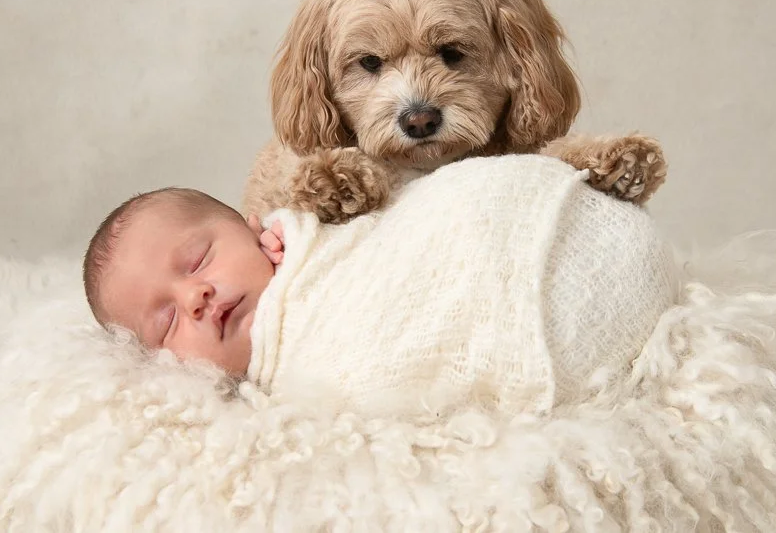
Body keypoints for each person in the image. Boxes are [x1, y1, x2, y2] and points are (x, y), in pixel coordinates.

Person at [84, 155, 677, 417]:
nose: (196, 297)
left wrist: (297, 232)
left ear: (251, 227)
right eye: (165, 323)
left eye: (199, 259)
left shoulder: (305, 241)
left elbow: (391, 226)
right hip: (553, 340)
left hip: (523, 226)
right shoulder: (268, 399)